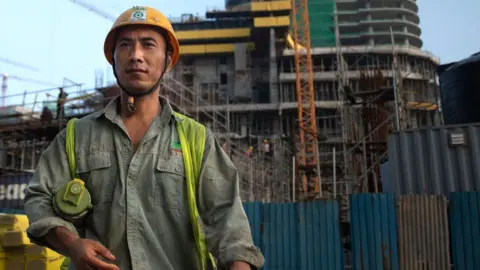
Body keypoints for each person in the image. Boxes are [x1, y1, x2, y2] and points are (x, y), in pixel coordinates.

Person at [24, 6, 264, 270]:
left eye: (148, 45)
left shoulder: (196, 140)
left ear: (168, 59)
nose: (136, 55)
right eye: (125, 45)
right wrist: (71, 243)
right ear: (113, 59)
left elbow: (228, 220)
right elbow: (39, 197)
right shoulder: (75, 136)